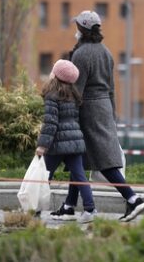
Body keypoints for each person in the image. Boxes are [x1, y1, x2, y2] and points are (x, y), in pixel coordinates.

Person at [59, 10, 144, 222]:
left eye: (77, 27)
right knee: (78, 157)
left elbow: (77, 89)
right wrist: (112, 112)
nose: (75, 31)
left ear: (82, 29)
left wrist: (68, 113)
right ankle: (69, 205)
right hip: (104, 108)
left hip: (88, 111)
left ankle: (133, 198)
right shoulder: (106, 52)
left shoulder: (81, 54)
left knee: (102, 161)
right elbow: (111, 87)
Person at [36, 59, 97, 224]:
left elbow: (50, 123)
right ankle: (90, 209)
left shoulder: (51, 95)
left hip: (57, 145)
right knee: (79, 176)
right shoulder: (73, 95)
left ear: (55, 76)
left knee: (44, 176)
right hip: (75, 143)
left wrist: (42, 145)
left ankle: (35, 209)